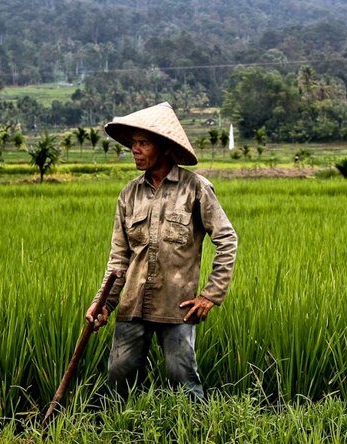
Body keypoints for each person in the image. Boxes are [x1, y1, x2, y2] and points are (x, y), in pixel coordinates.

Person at [86, 102, 237, 400]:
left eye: (143, 143)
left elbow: (227, 240)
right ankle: (122, 429)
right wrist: (103, 304)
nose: (135, 149)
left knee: (182, 376)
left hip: (177, 305)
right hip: (133, 303)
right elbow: (119, 258)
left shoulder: (196, 189)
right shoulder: (129, 194)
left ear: (164, 147)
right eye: (133, 144)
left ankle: (195, 430)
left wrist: (211, 295)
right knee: (119, 375)